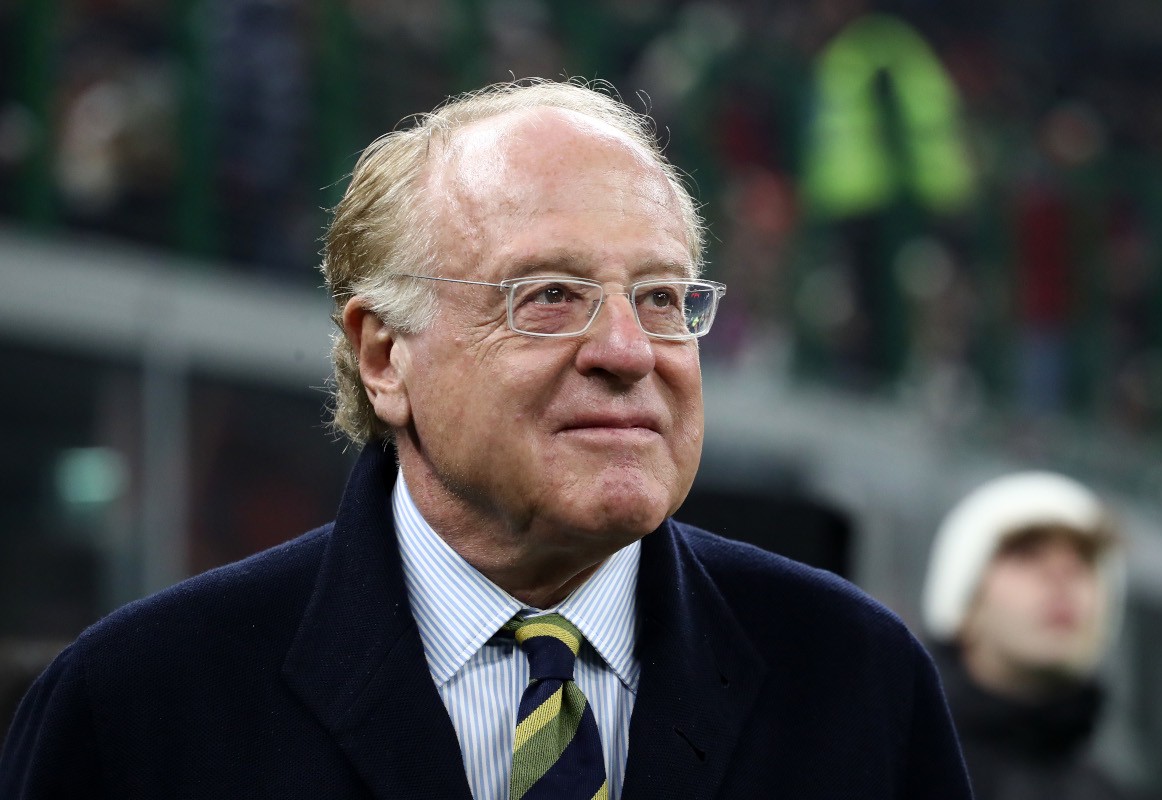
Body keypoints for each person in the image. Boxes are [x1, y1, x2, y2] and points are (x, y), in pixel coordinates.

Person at [1, 79, 971, 799]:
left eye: (664, 298)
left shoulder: (858, 682)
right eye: (549, 295)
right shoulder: (137, 709)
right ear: (384, 355)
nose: (630, 351)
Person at [923, 471, 1133, 800]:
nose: (1063, 575)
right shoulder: (882, 760)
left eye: (1085, 560)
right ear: (964, 602)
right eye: (1026, 554)